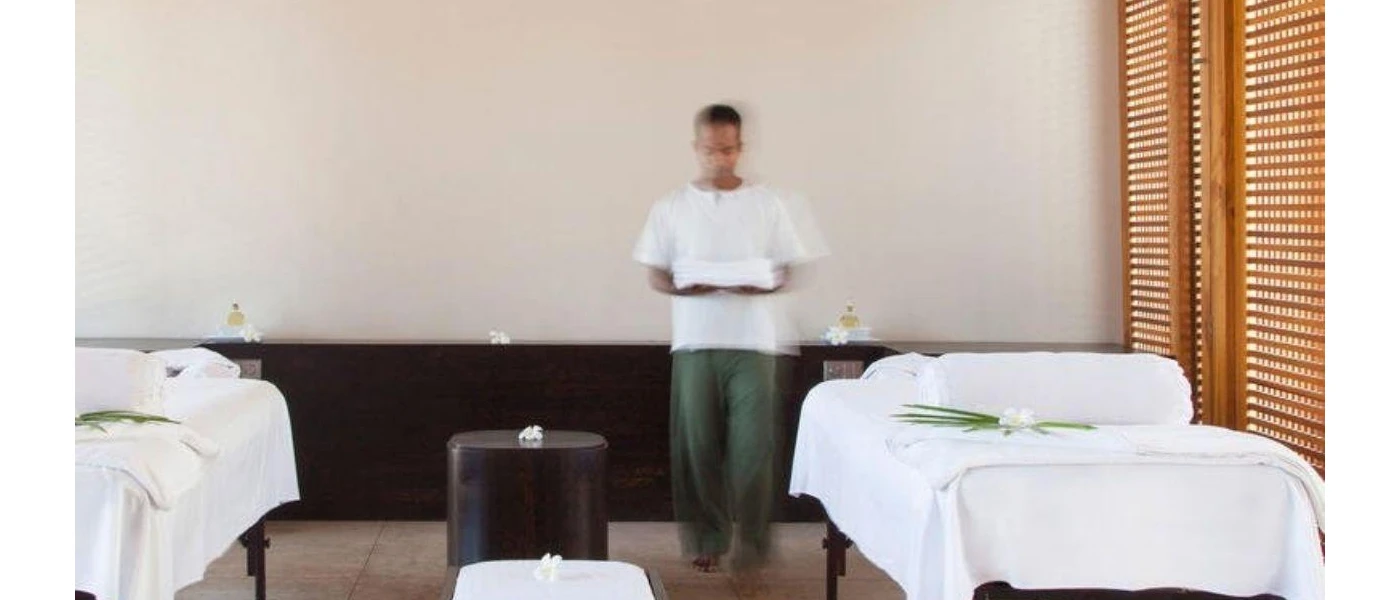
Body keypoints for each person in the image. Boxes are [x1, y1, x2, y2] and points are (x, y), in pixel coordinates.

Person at [632, 103, 822, 574]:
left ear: (741, 147)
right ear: (697, 148)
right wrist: (683, 287)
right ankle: (707, 538)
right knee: (697, 446)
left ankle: (753, 545)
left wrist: (762, 283)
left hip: (755, 343)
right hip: (695, 342)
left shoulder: (768, 204)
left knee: (754, 450)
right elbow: (655, 271)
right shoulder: (672, 206)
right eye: (711, 149)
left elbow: (789, 267)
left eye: (729, 149)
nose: (720, 158)